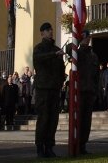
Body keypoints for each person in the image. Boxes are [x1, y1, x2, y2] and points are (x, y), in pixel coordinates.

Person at [33, 21, 66, 158]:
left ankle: (49, 147)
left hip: (54, 88)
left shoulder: (56, 49)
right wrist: (54, 54)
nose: (50, 31)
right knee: (44, 119)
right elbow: (39, 59)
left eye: (51, 29)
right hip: (43, 89)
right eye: (47, 30)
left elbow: (61, 68)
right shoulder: (39, 48)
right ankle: (40, 147)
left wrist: (60, 80)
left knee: (53, 119)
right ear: (42, 33)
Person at [66, 29, 99, 154]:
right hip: (78, 91)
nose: (87, 39)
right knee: (78, 119)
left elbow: (96, 75)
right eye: (85, 37)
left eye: (88, 37)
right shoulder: (77, 53)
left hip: (89, 91)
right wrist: (78, 39)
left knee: (86, 121)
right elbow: (68, 48)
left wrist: (95, 91)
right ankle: (76, 144)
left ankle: (83, 144)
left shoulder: (93, 55)